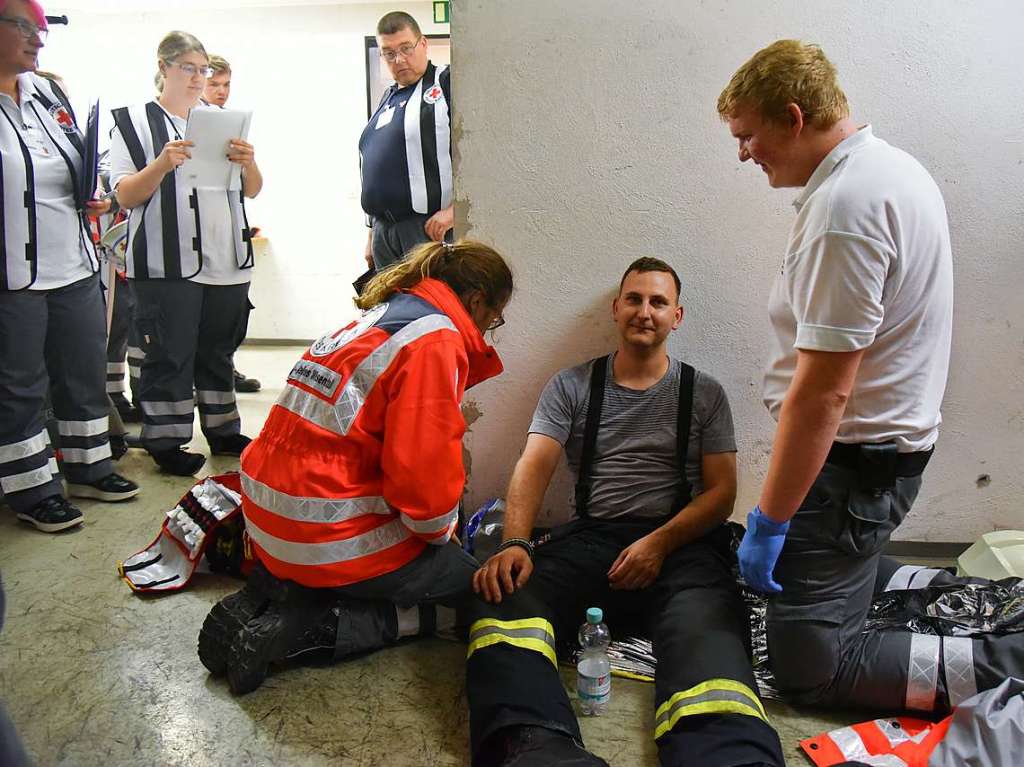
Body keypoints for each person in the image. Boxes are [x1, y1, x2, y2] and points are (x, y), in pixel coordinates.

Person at [718, 40, 1024, 714]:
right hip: (874, 466)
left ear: (793, 118)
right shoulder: (889, 170)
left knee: (812, 670)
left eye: (748, 136)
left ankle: (1010, 660)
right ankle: (957, 598)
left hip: (849, 473)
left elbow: (824, 393)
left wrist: (772, 517)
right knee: (824, 582)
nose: (744, 153)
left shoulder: (846, 210)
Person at [465, 258, 784, 767]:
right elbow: (534, 465)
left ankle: (728, 755)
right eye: (634, 299)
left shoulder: (703, 393)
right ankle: (534, 746)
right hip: (593, 540)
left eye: (658, 302)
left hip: (682, 545)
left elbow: (722, 494)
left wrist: (658, 544)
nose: (645, 311)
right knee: (500, 597)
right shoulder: (571, 386)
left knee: (712, 638)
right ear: (617, 309)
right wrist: (515, 543)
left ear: (676, 316)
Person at [198, 239, 512, 695]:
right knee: (471, 591)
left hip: (266, 518)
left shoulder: (379, 317)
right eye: (494, 319)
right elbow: (422, 483)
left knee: (373, 558)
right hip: (321, 531)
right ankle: (315, 629)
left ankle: (284, 587)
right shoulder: (435, 339)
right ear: (477, 300)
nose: (489, 329)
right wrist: (443, 538)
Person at [1, 0, 139, 533]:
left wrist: (95, 195)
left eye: (41, 30)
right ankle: (31, 488)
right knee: (20, 385)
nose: (38, 40)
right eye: (24, 28)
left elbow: (76, 166)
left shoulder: (48, 94)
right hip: (13, 273)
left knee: (82, 371)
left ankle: (87, 466)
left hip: (75, 261)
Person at [109, 31, 263, 476]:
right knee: (170, 352)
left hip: (226, 256)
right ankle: (167, 439)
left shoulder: (221, 120)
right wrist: (161, 163)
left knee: (218, 351)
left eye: (202, 70)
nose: (197, 78)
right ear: (164, 67)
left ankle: (223, 429)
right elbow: (124, 195)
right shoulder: (133, 121)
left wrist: (248, 161)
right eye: (188, 69)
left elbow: (252, 189)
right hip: (166, 260)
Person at [360, 11, 453, 270]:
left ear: (423, 44)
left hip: (425, 228)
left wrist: (455, 211)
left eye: (406, 48)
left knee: (428, 307)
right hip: (383, 231)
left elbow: (484, 151)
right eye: (389, 53)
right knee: (393, 309)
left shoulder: (446, 82)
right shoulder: (387, 99)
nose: (399, 59)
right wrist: (371, 234)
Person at [201, 53, 261, 394]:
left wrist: (248, 162)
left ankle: (226, 370)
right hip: (197, 243)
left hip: (231, 237)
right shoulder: (183, 129)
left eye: (226, 85)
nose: (221, 92)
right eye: (214, 85)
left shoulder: (234, 128)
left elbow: (252, 188)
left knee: (234, 317)